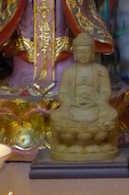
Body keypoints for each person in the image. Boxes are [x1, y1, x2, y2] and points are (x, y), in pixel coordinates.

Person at [50, 32, 118, 161]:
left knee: (111, 114)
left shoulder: (100, 70)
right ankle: (95, 144)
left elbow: (105, 91)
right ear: (75, 53)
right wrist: (70, 101)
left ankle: (73, 144)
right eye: (80, 51)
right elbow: (63, 92)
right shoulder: (69, 71)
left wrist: (98, 101)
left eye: (86, 51)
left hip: (95, 107)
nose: (83, 55)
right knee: (56, 116)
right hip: (74, 108)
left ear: (92, 52)